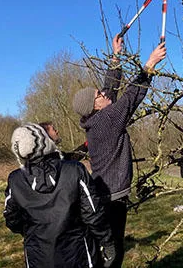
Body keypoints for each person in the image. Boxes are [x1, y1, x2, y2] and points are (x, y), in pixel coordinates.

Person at [72, 36, 166, 267]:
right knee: (114, 252)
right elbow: (132, 96)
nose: (103, 94)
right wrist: (150, 65)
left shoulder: (96, 118)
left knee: (104, 247)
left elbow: (110, 88)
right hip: (112, 197)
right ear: (95, 106)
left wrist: (116, 55)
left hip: (104, 192)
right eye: (98, 95)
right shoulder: (107, 120)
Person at [4, 123, 115, 267]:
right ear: (45, 140)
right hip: (78, 253)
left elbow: (11, 218)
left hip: (38, 256)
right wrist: (107, 242)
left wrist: (33, 232)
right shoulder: (75, 170)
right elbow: (93, 214)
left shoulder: (15, 180)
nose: (57, 130)